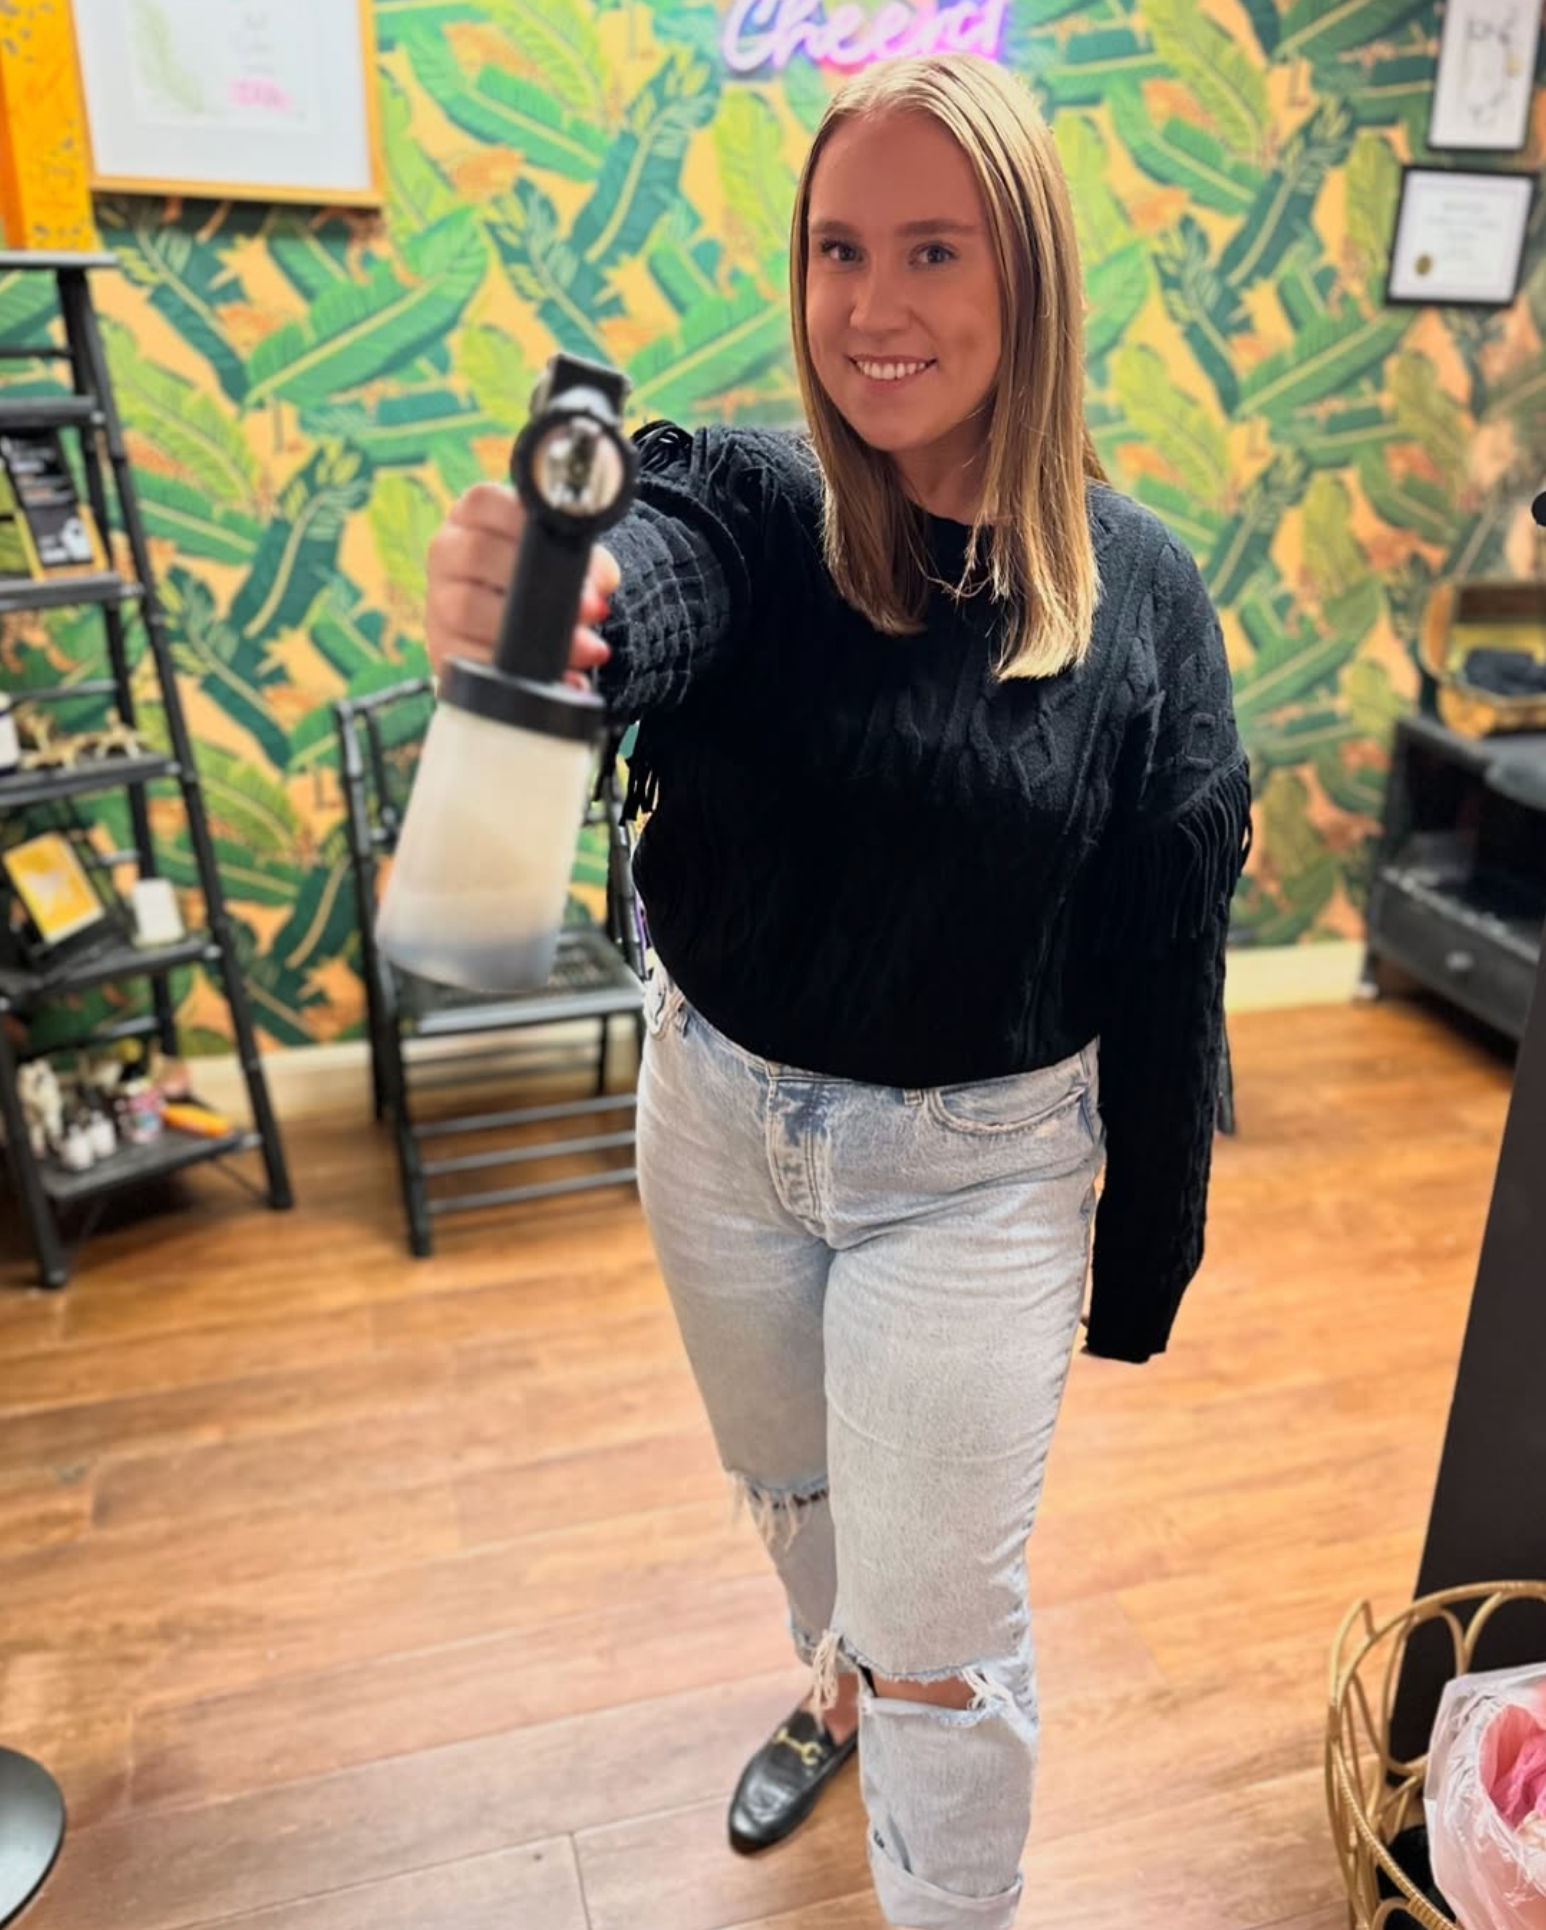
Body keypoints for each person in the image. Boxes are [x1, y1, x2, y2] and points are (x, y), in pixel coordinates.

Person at [425, 53, 1252, 1930]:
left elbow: (1166, 954)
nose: (873, 308)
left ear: (1026, 280)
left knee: (948, 1633)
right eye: (837, 250)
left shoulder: (1143, 602)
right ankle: (829, 1674)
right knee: (790, 1487)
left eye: (934, 252)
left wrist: (1145, 1268)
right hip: (715, 1115)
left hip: (975, 1174)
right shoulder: (751, 496)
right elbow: (656, 579)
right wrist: (560, 616)